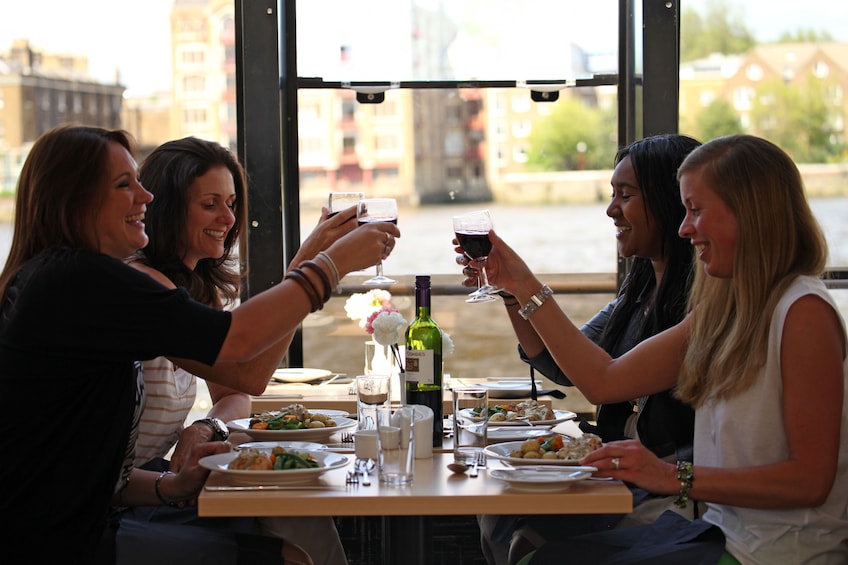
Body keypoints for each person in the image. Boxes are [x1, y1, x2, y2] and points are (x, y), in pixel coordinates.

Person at [0, 125, 399, 564]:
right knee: (290, 556)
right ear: (73, 200)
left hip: (81, 521)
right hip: (53, 542)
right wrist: (331, 263)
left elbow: (87, 467)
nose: (145, 196)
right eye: (124, 184)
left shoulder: (67, 278)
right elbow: (238, 347)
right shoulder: (81, 281)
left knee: (284, 524)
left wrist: (169, 486)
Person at [480, 134, 848, 564]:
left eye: (695, 210)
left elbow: (809, 482)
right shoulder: (726, 307)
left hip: (778, 551)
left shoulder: (803, 312)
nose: (684, 227)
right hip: (720, 531)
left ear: (750, 213)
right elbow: (604, 380)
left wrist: (673, 476)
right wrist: (518, 285)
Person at [459, 134, 702, 565]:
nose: (611, 210)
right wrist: (512, 294)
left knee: (525, 534)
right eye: (612, 195)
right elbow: (561, 364)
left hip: (665, 494)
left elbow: (600, 383)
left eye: (625, 196)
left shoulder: (703, 306)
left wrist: (527, 284)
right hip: (616, 478)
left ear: (671, 202)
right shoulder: (641, 286)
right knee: (500, 515)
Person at [117, 136, 347, 565]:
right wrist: (315, 269)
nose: (228, 217)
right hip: (123, 501)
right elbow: (250, 374)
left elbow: (234, 394)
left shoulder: (197, 290)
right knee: (291, 545)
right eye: (210, 204)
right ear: (167, 208)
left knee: (296, 512)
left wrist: (207, 428)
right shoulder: (140, 282)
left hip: (159, 481)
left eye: (232, 202)